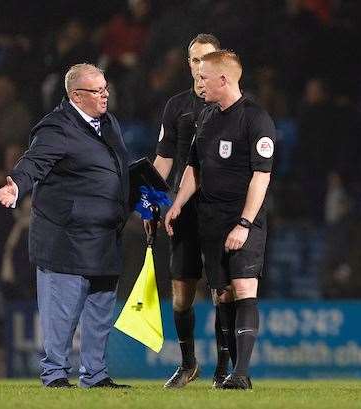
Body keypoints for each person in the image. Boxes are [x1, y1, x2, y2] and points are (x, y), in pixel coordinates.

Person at [0, 63, 130, 389]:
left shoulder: (108, 123)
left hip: (103, 235)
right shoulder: (57, 128)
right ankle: (55, 374)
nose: (105, 95)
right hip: (66, 237)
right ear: (76, 96)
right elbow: (34, 161)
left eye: (105, 88)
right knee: (61, 313)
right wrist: (17, 184)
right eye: (97, 91)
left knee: (99, 312)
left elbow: (114, 169)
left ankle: (95, 375)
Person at [165, 50, 275, 390]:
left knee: (244, 288)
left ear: (224, 80)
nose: (199, 83)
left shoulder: (256, 119)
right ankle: (226, 372)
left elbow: (261, 176)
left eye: (204, 78)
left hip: (244, 219)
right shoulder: (208, 118)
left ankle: (240, 373)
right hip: (210, 221)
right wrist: (178, 204)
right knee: (223, 294)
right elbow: (194, 168)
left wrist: (243, 224)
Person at [149, 33, 230, 388]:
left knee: (221, 291)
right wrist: (148, 199)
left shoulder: (231, 106)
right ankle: (188, 364)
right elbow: (165, 158)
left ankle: (224, 368)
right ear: (189, 65)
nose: (201, 67)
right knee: (181, 293)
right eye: (195, 60)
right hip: (182, 213)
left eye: (208, 59)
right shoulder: (176, 106)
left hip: (221, 212)